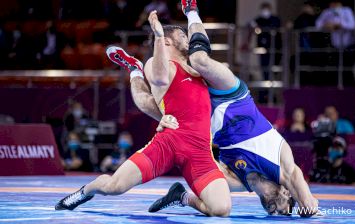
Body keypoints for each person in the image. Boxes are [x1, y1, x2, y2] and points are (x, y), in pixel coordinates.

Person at [117, 0, 318, 217]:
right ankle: (192, 10)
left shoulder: (236, 181)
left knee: (148, 105)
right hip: (232, 97)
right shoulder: (281, 164)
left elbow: (200, 173)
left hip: (203, 113)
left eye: (275, 211)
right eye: (284, 207)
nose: (278, 210)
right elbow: (301, 188)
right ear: (288, 193)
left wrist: (184, 195)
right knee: (199, 59)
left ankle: (134, 70)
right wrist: (309, 207)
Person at [55, 11, 231, 217]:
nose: (188, 39)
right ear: (167, 41)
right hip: (168, 144)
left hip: (198, 151)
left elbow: (200, 38)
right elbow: (158, 78)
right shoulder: (160, 66)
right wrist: (157, 36)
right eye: (183, 36)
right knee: (115, 186)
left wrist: (193, 11)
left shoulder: (200, 66)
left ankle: (181, 197)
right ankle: (86, 191)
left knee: (221, 210)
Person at [316, 0, 355, 87]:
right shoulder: (328, 12)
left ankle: (351, 93)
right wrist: (326, 25)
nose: (332, 5)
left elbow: (352, 25)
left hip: (348, 46)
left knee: (347, 70)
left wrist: (340, 25)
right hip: (335, 47)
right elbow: (318, 24)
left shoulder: (346, 11)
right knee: (336, 70)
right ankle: (338, 92)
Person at [242, 2, 281, 81]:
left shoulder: (275, 19)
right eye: (263, 9)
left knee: (273, 69)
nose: (265, 11)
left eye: (266, 9)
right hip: (262, 48)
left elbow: (277, 28)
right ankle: (265, 89)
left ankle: (271, 89)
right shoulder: (259, 20)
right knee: (264, 68)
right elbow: (250, 26)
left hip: (274, 49)